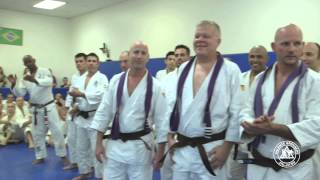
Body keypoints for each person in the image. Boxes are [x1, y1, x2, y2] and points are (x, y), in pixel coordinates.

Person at [239, 24, 320, 180]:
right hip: (258, 164)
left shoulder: (315, 81)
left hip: (296, 169)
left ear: (302, 46)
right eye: (285, 44)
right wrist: (251, 125)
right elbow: (245, 111)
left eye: (297, 44)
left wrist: (272, 128)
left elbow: (317, 125)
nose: (291, 49)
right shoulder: (260, 79)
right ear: (274, 47)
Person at [164, 20, 241, 180]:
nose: (200, 39)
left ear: (218, 41)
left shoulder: (230, 70)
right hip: (183, 149)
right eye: (197, 36)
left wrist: (227, 147)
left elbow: (236, 111)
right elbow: (174, 105)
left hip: (213, 149)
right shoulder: (184, 68)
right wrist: (169, 136)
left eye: (206, 36)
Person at [91, 41, 168, 180]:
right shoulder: (115, 80)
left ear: (148, 58)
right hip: (115, 146)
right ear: (130, 55)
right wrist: (98, 144)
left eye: (143, 53)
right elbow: (104, 112)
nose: (139, 56)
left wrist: (160, 152)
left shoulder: (156, 86)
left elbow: (162, 122)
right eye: (136, 52)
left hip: (140, 149)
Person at [7, 55, 68, 165]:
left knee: (57, 131)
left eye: (30, 61)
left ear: (34, 60)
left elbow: (49, 82)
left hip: (49, 107)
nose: (28, 64)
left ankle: (63, 156)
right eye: (26, 62)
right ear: (25, 64)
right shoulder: (25, 78)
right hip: (36, 109)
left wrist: (34, 80)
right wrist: (14, 84)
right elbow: (21, 93)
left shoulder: (44, 71)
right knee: (37, 134)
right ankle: (40, 156)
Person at [69, 53, 108, 180]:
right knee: (81, 147)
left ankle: (101, 176)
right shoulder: (80, 78)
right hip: (81, 117)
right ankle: (84, 171)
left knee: (96, 149)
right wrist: (75, 105)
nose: (91, 63)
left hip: (95, 117)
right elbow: (74, 94)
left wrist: (81, 94)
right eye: (89, 61)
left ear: (98, 63)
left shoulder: (102, 78)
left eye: (94, 61)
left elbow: (101, 95)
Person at [63, 53, 87, 171]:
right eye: (76, 61)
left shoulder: (89, 77)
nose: (78, 64)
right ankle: (74, 161)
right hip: (71, 111)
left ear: (86, 62)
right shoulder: (74, 76)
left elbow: (85, 95)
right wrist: (67, 108)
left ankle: (87, 165)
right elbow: (70, 93)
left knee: (82, 141)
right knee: (71, 138)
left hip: (82, 111)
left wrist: (76, 107)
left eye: (81, 61)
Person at [301, 42, 320, 179]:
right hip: (300, 142)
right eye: (302, 54)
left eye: (309, 54)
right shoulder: (296, 82)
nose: (303, 58)